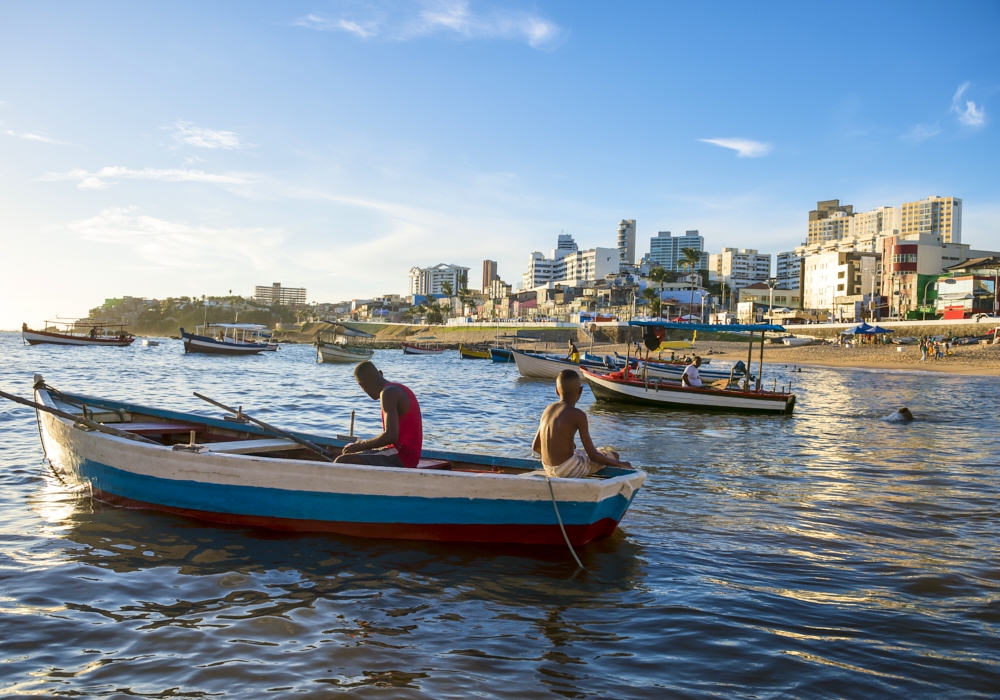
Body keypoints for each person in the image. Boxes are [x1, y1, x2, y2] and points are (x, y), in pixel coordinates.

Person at [532, 370, 631, 478]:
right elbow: (593, 456)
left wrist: (556, 458)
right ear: (580, 390)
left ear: (557, 391)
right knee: (613, 455)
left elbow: (536, 447)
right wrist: (621, 464)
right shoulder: (578, 415)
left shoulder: (548, 409)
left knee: (583, 452)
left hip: (547, 467)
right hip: (567, 469)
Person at [336, 361, 422, 468]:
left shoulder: (387, 393)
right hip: (405, 454)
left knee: (343, 461)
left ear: (362, 386)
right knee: (345, 454)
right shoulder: (398, 388)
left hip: (402, 456)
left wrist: (359, 446)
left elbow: (391, 436)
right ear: (381, 373)